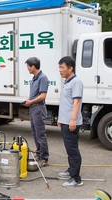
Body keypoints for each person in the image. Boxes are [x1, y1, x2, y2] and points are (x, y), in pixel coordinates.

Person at [57, 56, 84, 187]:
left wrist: (73, 120)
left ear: (70, 68)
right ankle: (71, 170)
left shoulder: (76, 82)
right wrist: (60, 119)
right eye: (59, 67)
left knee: (73, 150)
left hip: (71, 122)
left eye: (62, 67)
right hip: (65, 121)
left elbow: (76, 102)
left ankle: (76, 178)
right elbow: (65, 103)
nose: (59, 70)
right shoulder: (67, 81)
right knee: (69, 149)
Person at [23, 57, 49, 167]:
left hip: (38, 108)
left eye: (28, 66)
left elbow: (43, 95)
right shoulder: (34, 78)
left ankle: (44, 157)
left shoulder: (42, 78)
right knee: (35, 133)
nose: (28, 68)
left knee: (40, 134)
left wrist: (31, 101)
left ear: (33, 66)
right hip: (33, 108)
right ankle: (39, 153)